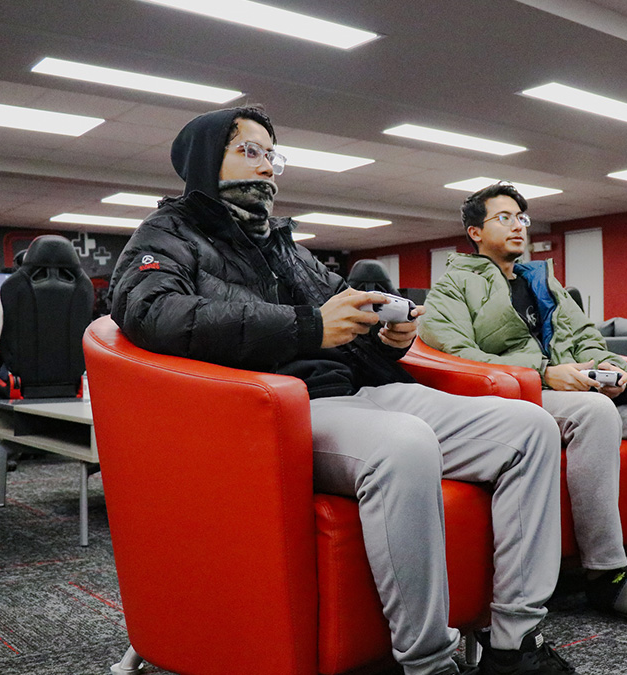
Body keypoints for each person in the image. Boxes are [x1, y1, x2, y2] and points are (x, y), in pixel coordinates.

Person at [109, 108, 575, 675]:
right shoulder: (167, 234)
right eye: (248, 152)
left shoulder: (285, 244)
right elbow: (149, 311)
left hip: (356, 394)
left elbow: (345, 320)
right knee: (404, 445)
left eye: (271, 154)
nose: (266, 167)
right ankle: (428, 661)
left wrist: (388, 337)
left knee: (529, 428)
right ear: (207, 161)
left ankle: (513, 643)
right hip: (275, 411)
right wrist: (306, 326)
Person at [419, 182, 627, 625]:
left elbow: (588, 340)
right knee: (596, 413)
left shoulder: (543, 281)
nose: (518, 225)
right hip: (526, 397)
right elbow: (458, 354)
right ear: (475, 232)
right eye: (505, 217)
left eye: (522, 218)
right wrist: (543, 373)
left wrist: (611, 370)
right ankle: (606, 575)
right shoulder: (451, 287)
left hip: (580, 388)